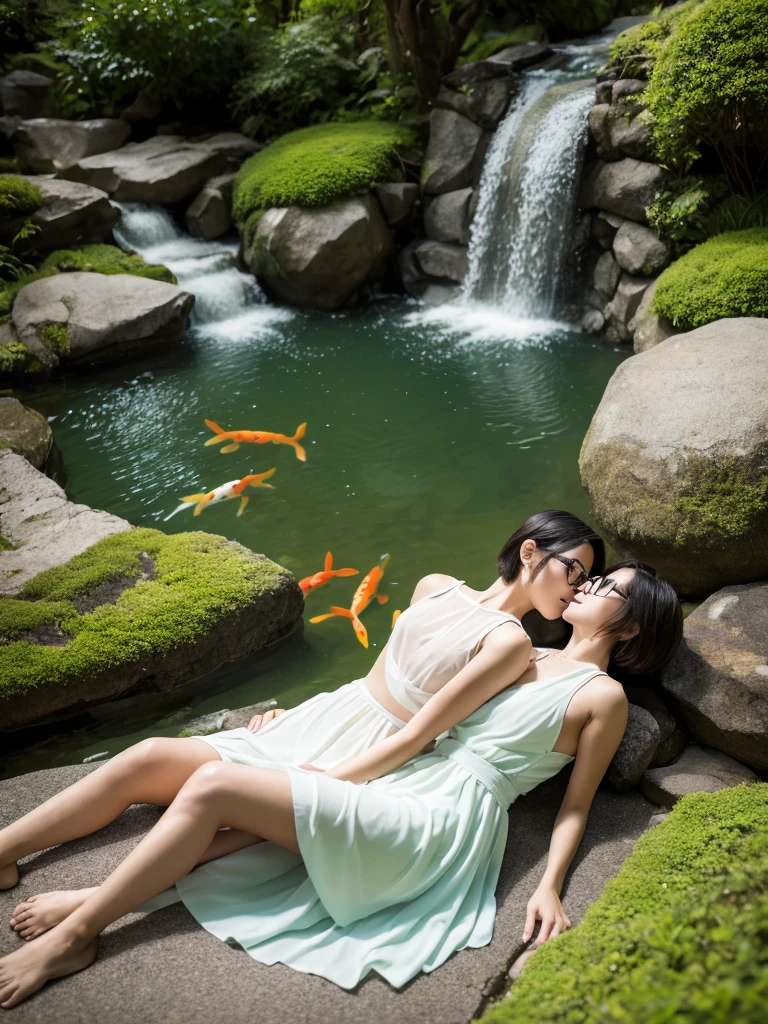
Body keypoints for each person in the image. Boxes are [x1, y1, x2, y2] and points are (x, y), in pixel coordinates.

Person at [0, 559, 682, 1006]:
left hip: (445, 819)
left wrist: (551, 884)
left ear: (632, 624)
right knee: (249, 808)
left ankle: (81, 931)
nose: (588, 587)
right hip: (408, 775)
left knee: (214, 790)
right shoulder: (520, 650)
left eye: (608, 587)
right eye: (588, 576)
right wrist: (299, 718)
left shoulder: (602, 697)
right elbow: (414, 711)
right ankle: (102, 894)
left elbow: (575, 806)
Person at [4, 509, 604, 939]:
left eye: (586, 580)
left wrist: (338, 777)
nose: (577, 587)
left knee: (225, 817)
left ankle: (91, 910)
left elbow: (420, 733)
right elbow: (375, 677)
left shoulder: (510, 645)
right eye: (574, 570)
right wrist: (299, 710)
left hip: (372, 754)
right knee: (148, 756)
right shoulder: (435, 586)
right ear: (530, 552)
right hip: (326, 718)